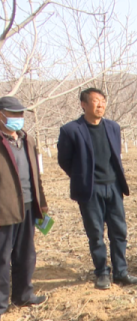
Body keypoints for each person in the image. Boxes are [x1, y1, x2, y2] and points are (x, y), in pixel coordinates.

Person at [57, 88, 137, 290]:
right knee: (96, 233)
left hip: (113, 186)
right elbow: (64, 160)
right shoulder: (71, 130)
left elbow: (115, 155)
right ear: (83, 104)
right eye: (95, 101)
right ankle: (102, 272)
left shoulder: (113, 127)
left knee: (119, 231)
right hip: (90, 190)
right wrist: (83, 177)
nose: (100, 105)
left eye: (103, 101)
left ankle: (121, 272)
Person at [0, 97, 48, 317]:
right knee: (2, 257)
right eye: (13, 114)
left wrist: (42, 204)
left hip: (28, 205)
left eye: (20, 114)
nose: (18, 118)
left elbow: (35, 175)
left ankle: (23, 295)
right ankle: (1, 303)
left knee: (25, 254)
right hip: (4, 209)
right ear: (1, 115)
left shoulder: (26, 140)